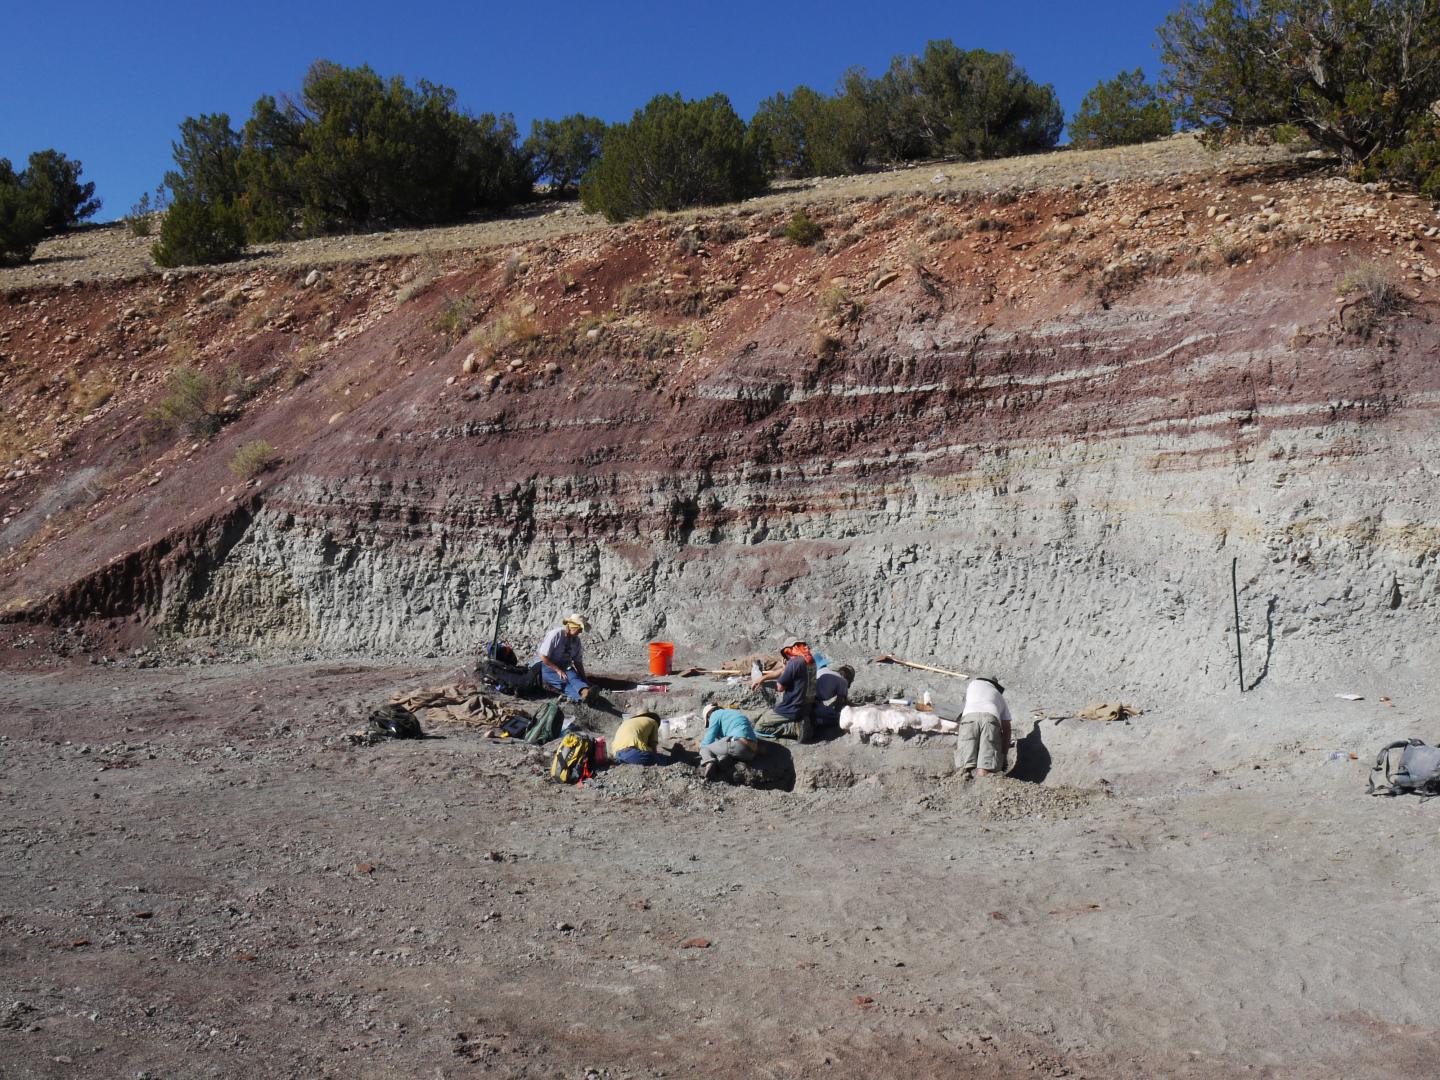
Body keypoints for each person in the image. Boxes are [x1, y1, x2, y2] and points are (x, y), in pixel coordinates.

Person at [752, 637, 817, 743]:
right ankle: (806, 722)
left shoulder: (794, 663)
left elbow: (780, 687)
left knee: (759, 727)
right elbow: (784, 671)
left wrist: (785, 669)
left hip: (792, 707)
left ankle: (794, 728)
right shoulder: (810, 661)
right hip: (807, 707)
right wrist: (763, 678)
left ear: (789, 650)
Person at [955, 676, 1012, 779]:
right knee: (986, 765)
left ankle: (962, 784)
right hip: (990, 718)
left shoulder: (972, 685)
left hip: (969, 717)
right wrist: (1003, 755)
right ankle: (982, 778)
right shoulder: (999, 696)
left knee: (964, 765)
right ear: (995, 686)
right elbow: (1007, 729)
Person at [532, 614, 592, 703]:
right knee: (563, 681)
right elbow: (543, 656)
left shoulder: (576, 641)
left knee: (573, 676)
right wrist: (558, 670)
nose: (580, 632)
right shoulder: (556, 635)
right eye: (579, 629)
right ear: (572, 627)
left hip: (564, 664)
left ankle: (584, 691)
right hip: (547, 665)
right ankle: (579, 698)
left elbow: (577, 662)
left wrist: (585, 679)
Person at [698, 703, 758, 782]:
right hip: (751, 753)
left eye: (708, 721)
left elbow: (709, 739)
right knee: (723, 751)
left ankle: (709, 762)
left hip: (737, 743)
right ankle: (723, 763)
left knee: (705, 749)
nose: (710, 722)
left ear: (709, 713)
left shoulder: (715, 714)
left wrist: (700, 747)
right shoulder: (731, 713)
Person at [813, 664, 855, 729]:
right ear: (849, 677)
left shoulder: (824, 670)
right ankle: (817, 721)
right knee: (839, 718)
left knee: (824, 708)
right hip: (813, 703)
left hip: (806, 698)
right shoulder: (843, 681)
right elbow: (839, 705)